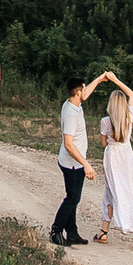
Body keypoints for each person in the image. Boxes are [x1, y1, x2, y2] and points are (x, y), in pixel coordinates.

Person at [91, 74, 133, 250]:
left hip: (112, 156)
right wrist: (116, 80)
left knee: (116, 192)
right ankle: (103, 231)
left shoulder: (105, 121)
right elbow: (132, 95)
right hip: (126, 154)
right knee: (119, 191)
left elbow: (103, 143)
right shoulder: (128, 117)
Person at [50, 74, 107, 246]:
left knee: (72, 197)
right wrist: (86, 164)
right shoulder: (71, 115)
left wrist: (99, 79)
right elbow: (69, 144)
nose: (85, 92)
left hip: (73, 162)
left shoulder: (72, 103)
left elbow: (86, 92)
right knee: (73, 199)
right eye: (83, 89)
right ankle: (56, 231)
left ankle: (72, 233)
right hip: (72, 164)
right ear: (77, 92)